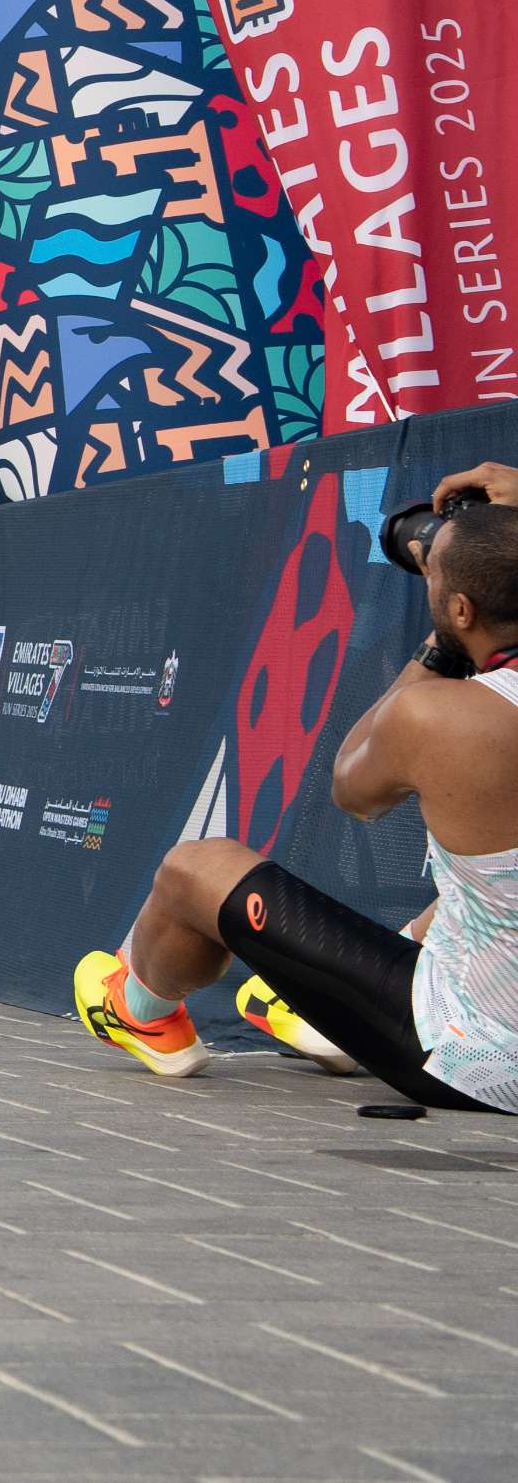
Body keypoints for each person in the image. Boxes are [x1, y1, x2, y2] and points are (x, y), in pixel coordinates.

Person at [75, 470, 518, 1111]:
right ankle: (327, 1017)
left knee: (194, 868)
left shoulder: (434, 716)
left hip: (474, 1059)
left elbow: (353, 787)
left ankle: (138, 1010)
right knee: (486, 882)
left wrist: (441, 647)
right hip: (485, 981)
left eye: (433, 577)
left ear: (462, 610)